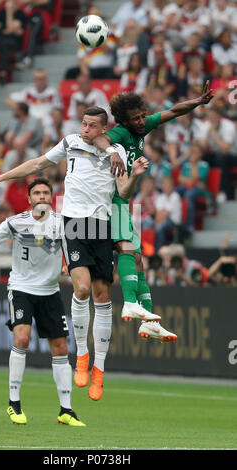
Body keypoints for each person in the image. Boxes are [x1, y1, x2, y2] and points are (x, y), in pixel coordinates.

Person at [0, 106, 158, 401]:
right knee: (83, 288)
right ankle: (83, 356)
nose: (84, 129)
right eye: (83, 124)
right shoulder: (71, 142)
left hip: (102, 224)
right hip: (73, 223)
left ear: (103, 129)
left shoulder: (117, 153)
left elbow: (123, 193)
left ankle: (99, 369)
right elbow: (36, 164)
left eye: (91, 126)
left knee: (103, 297)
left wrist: (135, 175)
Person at [91, 83, 213, 341]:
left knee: (138, 261)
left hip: (124, 201)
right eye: (134, 118)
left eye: (142, 116)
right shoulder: (121, 133)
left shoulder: (144, 125)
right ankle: (129, 302)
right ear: (124, 120)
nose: (140, 121)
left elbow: (173, 111)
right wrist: (112, 151)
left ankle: (149, 320)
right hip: (110, 201)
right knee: (126, 251)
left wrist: (198, 101)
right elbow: (98, 138)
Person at [0, 177, 86, 426]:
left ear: (51, 197)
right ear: (29, 198)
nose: (42, 197)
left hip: (50, 291)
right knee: (21, 338)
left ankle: (66, 410)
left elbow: (73, 248)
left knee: (61, 348)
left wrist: (68, 264)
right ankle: (14, 404)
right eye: (37, 193)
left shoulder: (62, 223)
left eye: (46, 193)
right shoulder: (16, 222)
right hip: (21, 288)